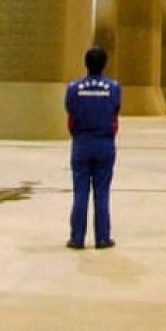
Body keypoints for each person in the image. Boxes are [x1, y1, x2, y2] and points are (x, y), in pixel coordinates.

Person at [64, 45, 121, 249]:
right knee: (102, 193)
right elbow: (114, 116)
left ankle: (77, 238)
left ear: (85, 63)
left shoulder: (73, 88)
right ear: (105, 64)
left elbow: (71, 118)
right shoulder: (113, 88)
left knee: (80, 192)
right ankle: (103, 238)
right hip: (104, 144)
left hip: (82, 143)